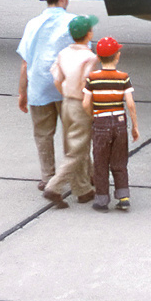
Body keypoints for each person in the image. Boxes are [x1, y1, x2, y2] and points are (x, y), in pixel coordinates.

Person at [16, 0, 80, 191]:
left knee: (43, 135)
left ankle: (48, 177)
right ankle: (80, 178)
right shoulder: (74, 22)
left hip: (38, 87)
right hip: (67, 86)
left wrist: (22, 92)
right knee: (74, 135)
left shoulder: (32, 24)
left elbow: (26, 62)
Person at [43, 14, 101, 207]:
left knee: (71, 144)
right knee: (78, 149)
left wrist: (66, 93)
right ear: (89, 34)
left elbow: (57, 78)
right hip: (80, 104)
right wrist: (90, 108)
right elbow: (87, 84)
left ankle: (82, 189)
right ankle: (54, 185)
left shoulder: (64, 53)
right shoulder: (90, 58)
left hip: (66, 102)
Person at [84, 36, 138, 211]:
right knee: (120, 161)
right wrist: (135, 125)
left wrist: (92, 117)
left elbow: (85, 103)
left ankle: (102, 199)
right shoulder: (123, 77)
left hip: (100, 122)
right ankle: (123, 196)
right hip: (120, 123)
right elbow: (130, 103)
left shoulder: (92, 78)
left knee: (100, 163)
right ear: (118, 56)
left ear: (98, 58)